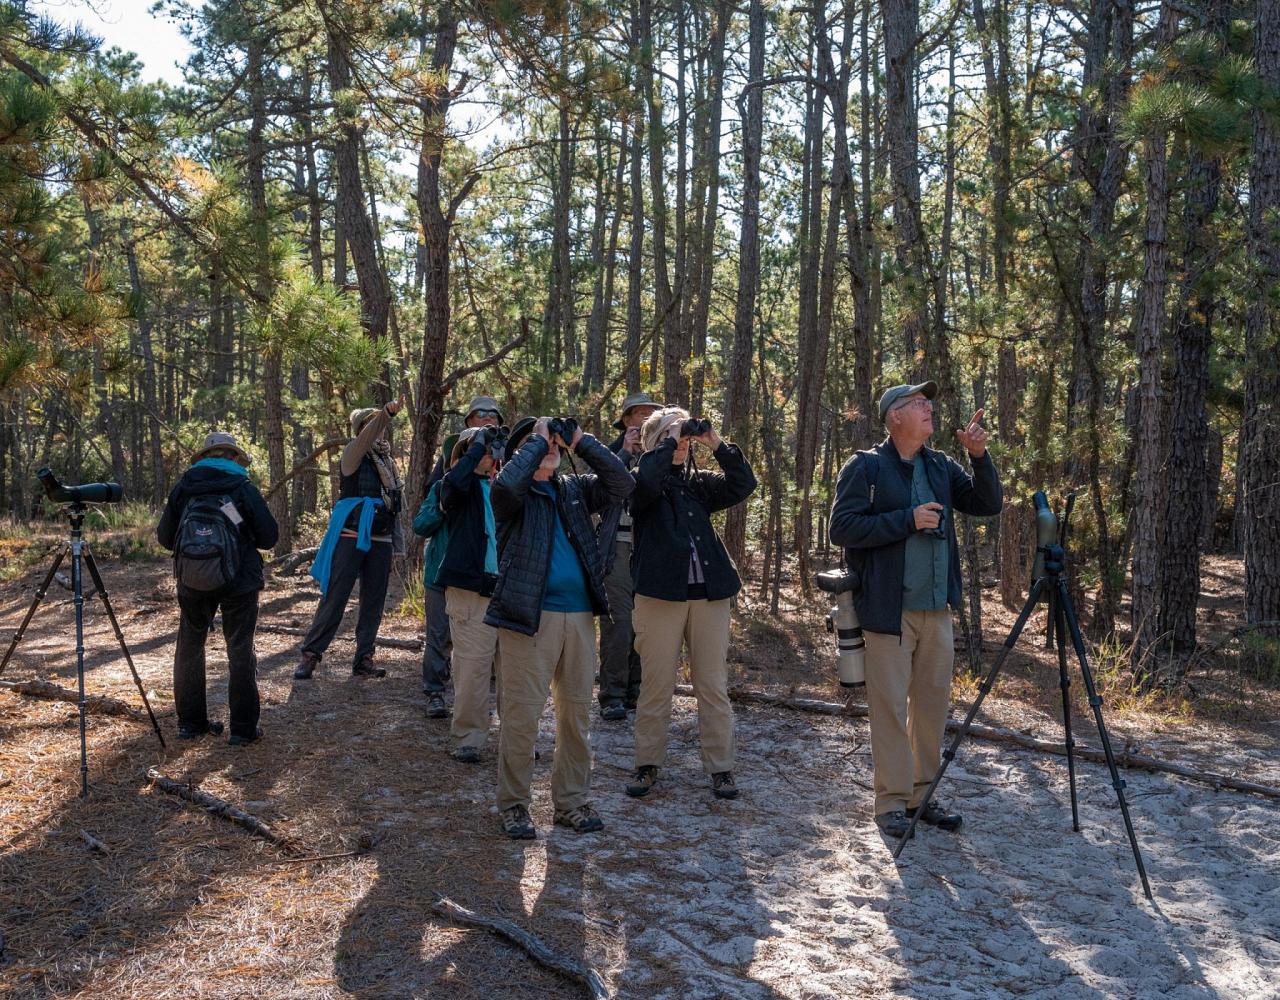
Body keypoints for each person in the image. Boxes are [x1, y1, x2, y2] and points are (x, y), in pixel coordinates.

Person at [828, 381, 1003, 839]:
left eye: (929, 401)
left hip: (936, 608)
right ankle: (890, 801)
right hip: (888, 609)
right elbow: (842, 528)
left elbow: (987, 504)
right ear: (896, 417)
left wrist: (979, 458)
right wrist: (907, 521)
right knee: (888, 707)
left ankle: (921, 795)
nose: (929, 408)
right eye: (918, 404)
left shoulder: (941, 465)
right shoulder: (865, 466)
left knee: (930, 708)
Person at [484, 416, 634, 839]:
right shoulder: (512, 494)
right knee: (521, 716)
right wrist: (536, 439)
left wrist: (582, 442)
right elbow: (508, 484)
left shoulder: (573, 491)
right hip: (528, 617)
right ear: (523, 450)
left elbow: (622, 485)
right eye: (539, 441)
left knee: (576, 716)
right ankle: (514, 805)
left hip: (580, 617)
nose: (550, 445)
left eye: (553, 441)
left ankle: (571, 802)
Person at [625, 407, 757, 801]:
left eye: (682, 429)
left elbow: (742, 483)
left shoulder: (698, 485)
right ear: (655, 442)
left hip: (710, 596)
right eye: (670, 432)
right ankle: (647, 764)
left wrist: (713, 441)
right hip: (659, 596)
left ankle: (721, 768)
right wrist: (667, 441)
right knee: (656, 685)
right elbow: (646, 483)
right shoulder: (640, 482)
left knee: (712, 684)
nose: (680, 437)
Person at [156, 432, 278, 745]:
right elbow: (269, 538)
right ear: (233, 457)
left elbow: (165, 538)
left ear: (205, 457)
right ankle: (242, 730)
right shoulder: (242, 487)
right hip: (240, 582)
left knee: (189, 649)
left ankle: (190, 725)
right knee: (239, 651)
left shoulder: (184, 487)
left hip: (192, 581)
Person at [294, 400, 404, 680]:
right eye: (371, 424)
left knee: (373, 602)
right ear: (361, 429)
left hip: (381, 539)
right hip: (350, 537)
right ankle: (310, 655)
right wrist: (386, 413)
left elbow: (395, 505)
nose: (377, 430)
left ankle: (364, 658)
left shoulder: (388, 462)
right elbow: (367, 435)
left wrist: (398, 547)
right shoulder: (353, 453)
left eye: (378, 424)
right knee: (336, 597)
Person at [422, 395, 504, 718]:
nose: (486, 421)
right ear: (468, 421)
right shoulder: (452, 464)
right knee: (440, 636)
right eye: (479, 415)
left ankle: (480, 701)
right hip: (445, 570)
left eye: (492, 417)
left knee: (486, 647)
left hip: (487, 574)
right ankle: (435, 692)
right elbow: (436, 503)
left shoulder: (502, 470)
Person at [436, 426, 502, 763]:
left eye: (491, 450)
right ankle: (468, 738)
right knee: (472, 668)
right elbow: (452, 486)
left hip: (505, 589)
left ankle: (517, 738)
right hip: (469, 591)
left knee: (513, 672)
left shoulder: (502, 487)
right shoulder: (457, 486)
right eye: (480, 450)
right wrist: (474, 449)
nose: (487, 455)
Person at [598, 392, 663, 721]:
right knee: (619, 623)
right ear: (625, 420)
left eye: (652, 413)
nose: (644, 419)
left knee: (645, 624)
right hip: (617, 547)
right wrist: (625, 450)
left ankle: (636, 689)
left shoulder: (661, 455)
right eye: (639, 414)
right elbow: (597, 483)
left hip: (651, 549)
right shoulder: (609, 452)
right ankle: (612, 693)